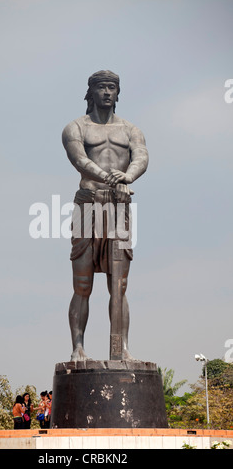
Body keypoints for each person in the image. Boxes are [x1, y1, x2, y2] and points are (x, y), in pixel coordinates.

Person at [62, 70, 149, 362]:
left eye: (112, 87)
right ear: (91, 93)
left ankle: (122, 348)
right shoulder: (76, 127)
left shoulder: (130, 129)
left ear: (118, 93)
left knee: (119, 285)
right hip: (89, 205)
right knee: (83, 283)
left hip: (119, 207)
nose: (107, 92)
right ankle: (78, 348)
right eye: (101, 88)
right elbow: (79, 159)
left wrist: (127, 177)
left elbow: (142, 157)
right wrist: (108, 178)